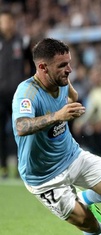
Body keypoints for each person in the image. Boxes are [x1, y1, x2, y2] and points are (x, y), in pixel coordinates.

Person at [12, 38, 101, 235]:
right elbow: (21, 127)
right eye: (62, 65)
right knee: (89, 225)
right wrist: (58, 115)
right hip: (44, 177)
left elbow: (73, 96)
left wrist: (73, 107)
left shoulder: (62, 79)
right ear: (43, 67)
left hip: (73, 156)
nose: (69, 69)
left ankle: (85, 198)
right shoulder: (26, 94)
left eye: (69, 63)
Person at [0, 10, 30, 179]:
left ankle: (21, 166)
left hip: (18, 95)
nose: (5, 24)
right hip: (0, 94)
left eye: (8, 21)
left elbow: (30, 65)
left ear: (12, 22)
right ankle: (3, 166)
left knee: (21, 131)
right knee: (1, 132)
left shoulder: (22, 41)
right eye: (2, 21)